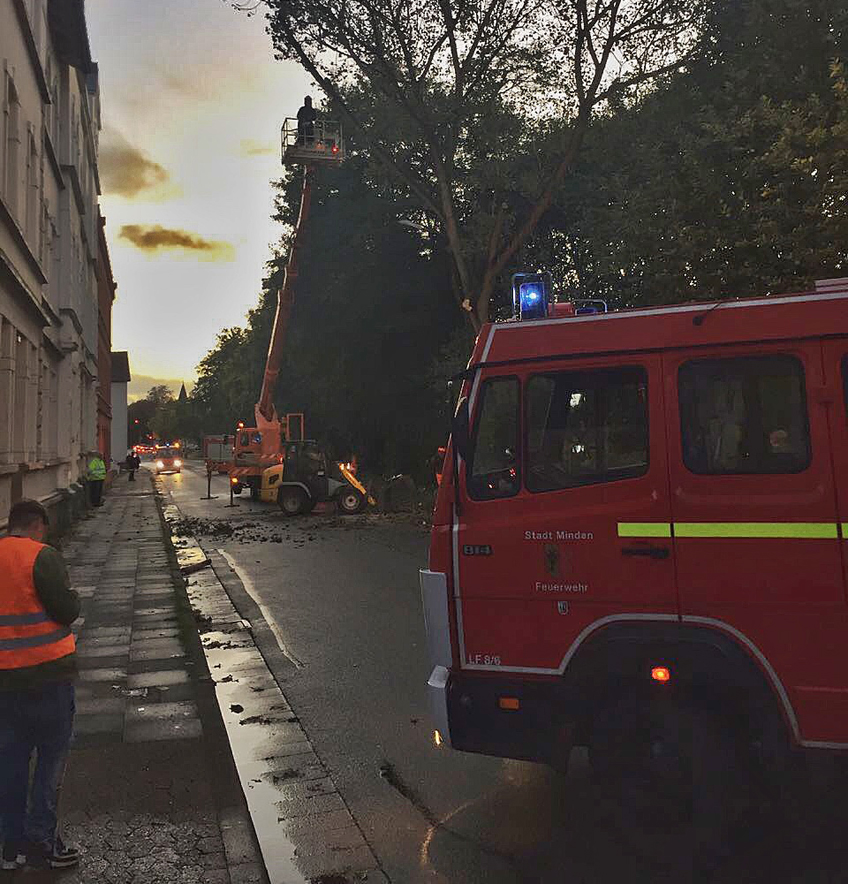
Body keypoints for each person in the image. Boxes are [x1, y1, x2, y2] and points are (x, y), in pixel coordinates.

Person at [0, 499, 80, 871]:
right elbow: (65, 610)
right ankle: (42, 842)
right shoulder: (42, 557)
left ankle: (10, 848)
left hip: (5, 684)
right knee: (50, 763)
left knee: (11, 763)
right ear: (39, 526)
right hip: (48, 678)